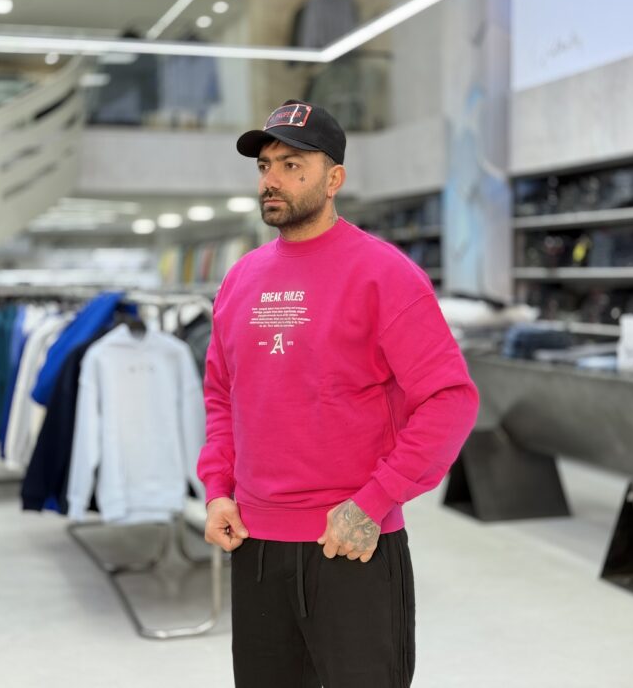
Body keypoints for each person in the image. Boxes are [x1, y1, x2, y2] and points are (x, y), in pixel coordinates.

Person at [197, 99, 479, 688]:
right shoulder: (240, 278)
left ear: (334, 179)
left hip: (351, 545)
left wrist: (375, 501)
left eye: (292, 165)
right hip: (255, 546)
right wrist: (219, 490)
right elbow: (223, 396)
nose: (271, 180)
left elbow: (450, 399)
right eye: (265, 166)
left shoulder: (385, 273)